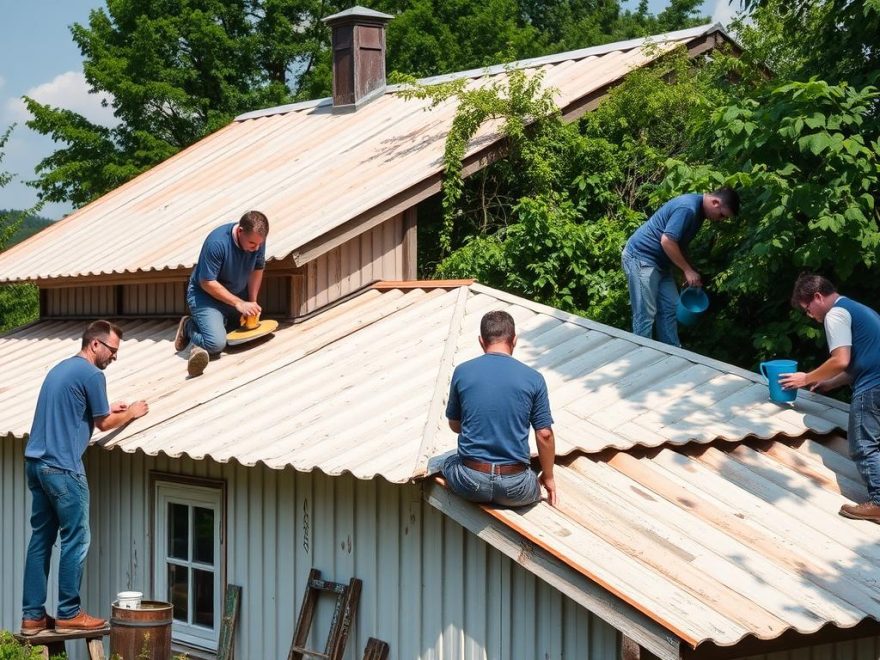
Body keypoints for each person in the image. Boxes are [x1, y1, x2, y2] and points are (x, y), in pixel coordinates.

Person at [21, 320, 149, 635]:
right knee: (77, 539)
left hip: (36, 463)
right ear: (95, 344)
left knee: (41, 540)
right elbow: (104, 423)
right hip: (63, 469)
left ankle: (32, 616)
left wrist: (106, 406)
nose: (114, 357)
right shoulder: (93, 374)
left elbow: (83, 411)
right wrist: (131, 411)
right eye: (112, 350)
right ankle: (68, 612)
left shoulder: (61, 369)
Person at [781, 274, 880, 523]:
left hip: (873, 387)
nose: (810, 315)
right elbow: (859, 364)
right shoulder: (860, 309)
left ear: (817, 297)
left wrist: (805, 378)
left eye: (808, 309)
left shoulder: (835, 314)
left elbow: (840, 360)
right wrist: (829, 383)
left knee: (863, 445)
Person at [442, 310, 557, 507]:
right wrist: (548, 477)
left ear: (481, 341)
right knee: (532, 471)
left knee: (446, 461)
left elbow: (455, 425)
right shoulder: (534, 378)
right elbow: (544, 434)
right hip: (516, 488)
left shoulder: (462, 371)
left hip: (471, 481)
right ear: (514, 340)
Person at [621, 187, 739, 346]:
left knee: (670, 309)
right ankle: (641, 358)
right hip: (641, 258)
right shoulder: (688, 208)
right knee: (645, 315)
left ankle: (672, 355)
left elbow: (679, 244)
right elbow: (667, 241)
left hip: (661, 265)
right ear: (715, 202)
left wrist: (689, 270)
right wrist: (686, 270)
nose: (721, 220)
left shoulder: (699, 214)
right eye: (722, 215)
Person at [174, 210, 269, 377]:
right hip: (206, 296)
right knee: (216, 344)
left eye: (260, 244)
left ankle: (218, 323)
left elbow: (257, 269)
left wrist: (252, 303)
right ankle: (189, 327)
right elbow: (207, 282)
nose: (257, 248)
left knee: (241, 335)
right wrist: (240, 304)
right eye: (253, 244)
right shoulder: (216, 243)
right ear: (240, 231)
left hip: (235, 296)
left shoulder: (257, 241)